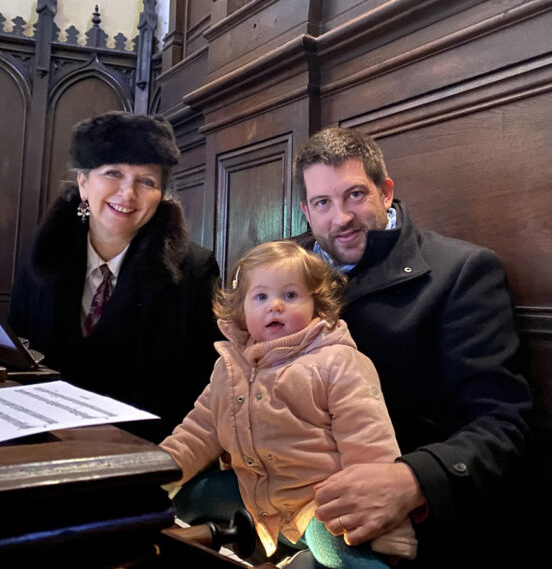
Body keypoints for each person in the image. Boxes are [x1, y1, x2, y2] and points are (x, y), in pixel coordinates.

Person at [292, 127, 533, 566]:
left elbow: (500, 423)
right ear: (307, 211)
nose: (341, 218)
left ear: (386, 193)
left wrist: (411, 481)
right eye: (323, 203)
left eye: (355, 195)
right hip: (286, 501)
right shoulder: (276, 270)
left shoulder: (460, 271)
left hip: (402, 532)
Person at [0, 111, 221, 443]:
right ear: (83, 182)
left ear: (160, 195)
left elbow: (206, 384)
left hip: (142, 453)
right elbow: (25, 345)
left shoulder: (194, 269)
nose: (128, 193)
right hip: (44, 442)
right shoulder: (44, 257)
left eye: (146, 181)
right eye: (113, 173)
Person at [160, 240, 418, 569]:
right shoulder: (229, 368)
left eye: (291, 295)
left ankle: (313, 559)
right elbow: (197, 431)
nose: (276, 306)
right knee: (181, 503)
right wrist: (150, 475)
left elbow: (369, 445)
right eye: (261, 297)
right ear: (241, 310)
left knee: (342, 552)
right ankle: (275, 555)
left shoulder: (337, 362)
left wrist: (388, 529)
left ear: (317, 304)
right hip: (255, 496)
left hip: (319, 505)